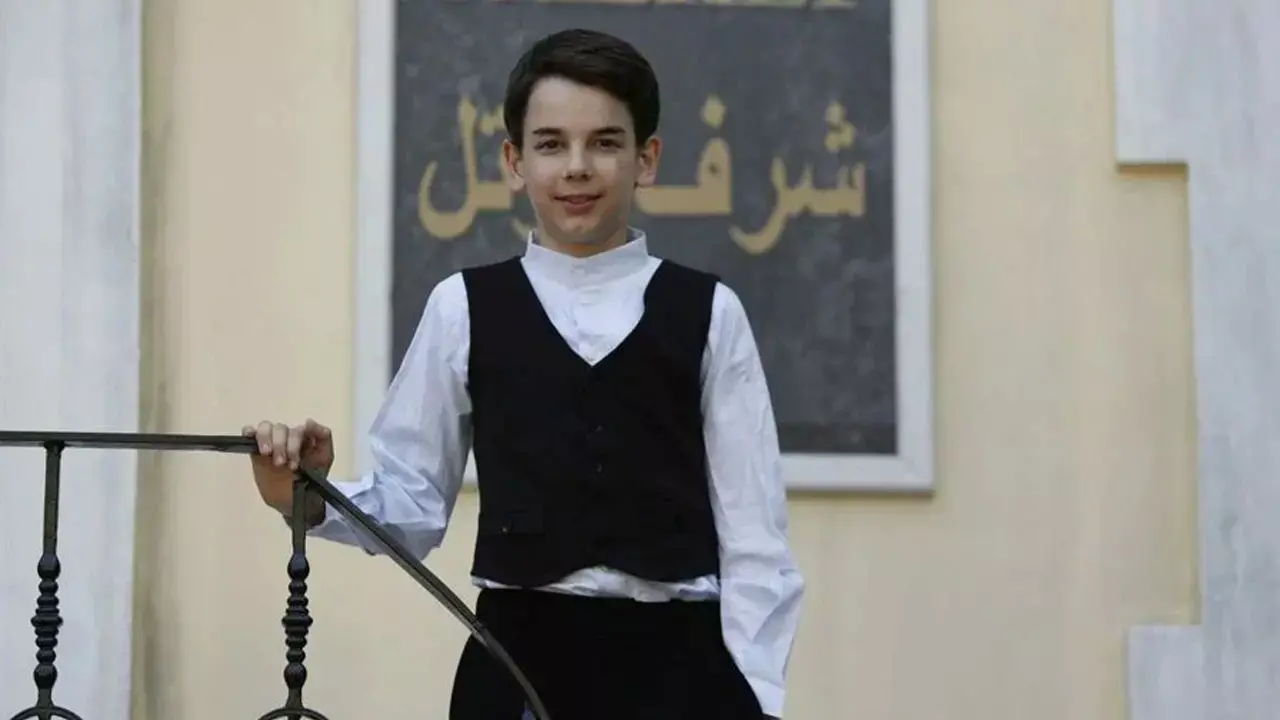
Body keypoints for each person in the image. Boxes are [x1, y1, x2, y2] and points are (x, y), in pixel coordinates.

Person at [245, 28, 804, 720]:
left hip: (682, 668)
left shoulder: (711, 313)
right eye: (551, 144)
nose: (577, 167)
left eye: (605, 142)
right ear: (514, 161)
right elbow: (411, 504)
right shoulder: (462, 307)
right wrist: (307, 495)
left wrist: (755, 698)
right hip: (513, 668)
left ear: (646, 160)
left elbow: (755, 538)